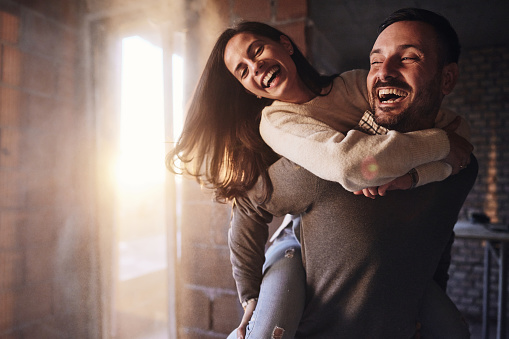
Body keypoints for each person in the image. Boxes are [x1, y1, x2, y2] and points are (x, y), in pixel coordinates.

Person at [167, 8, 475, 338]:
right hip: (295, 241)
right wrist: (249, 296)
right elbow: (350, 165)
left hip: (375, 252)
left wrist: (417, 173)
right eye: (243, 71)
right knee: (267, 330)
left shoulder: (356, 83)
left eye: (257, 51)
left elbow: (456, 140)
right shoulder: (276, 122)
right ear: (251, 91)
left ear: (285, 44)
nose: (255, 67)